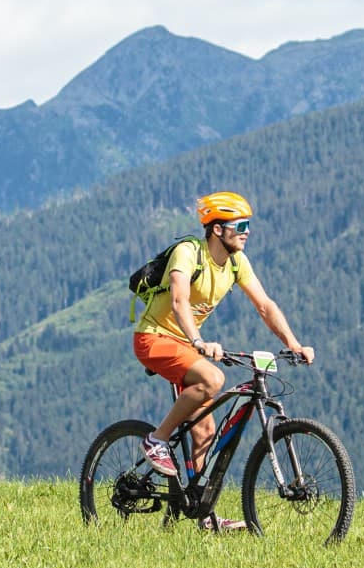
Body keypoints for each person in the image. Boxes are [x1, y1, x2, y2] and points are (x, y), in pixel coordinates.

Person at [131, 190, 314, 530]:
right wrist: (199, 341)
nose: (247, 231)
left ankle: (203, 513)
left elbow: (265, 305)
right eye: (240, 225)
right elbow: (180, 300)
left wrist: (294, 343)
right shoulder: (188, 253)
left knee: (205, 429)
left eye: (249, 224)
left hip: (186, 345)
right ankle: (156, 440)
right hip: (154, 339)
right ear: (217, 229)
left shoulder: (235, 261)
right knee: (212, 380)